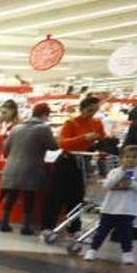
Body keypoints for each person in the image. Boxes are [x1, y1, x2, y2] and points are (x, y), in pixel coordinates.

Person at [42, 96, 106, 234]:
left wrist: (99, 140)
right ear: (82, 109)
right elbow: (62, 143)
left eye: (95, 110)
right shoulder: (71, 123)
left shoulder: (97, 123)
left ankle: (74, 227)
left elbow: (103, 137)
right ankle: (48, 226)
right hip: (66, 162)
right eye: (89, 110)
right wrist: (83, 138)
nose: (92, 113)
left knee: (77, 196)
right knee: (56, 196)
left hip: (82, 162)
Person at [84, 145, 137, 265]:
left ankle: (127, 253)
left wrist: (133, 184)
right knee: (102, 231)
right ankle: (92, 249)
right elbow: (107, 185)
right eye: (127, 157)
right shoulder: (115, 171)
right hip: (110, 208)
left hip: (128, 209)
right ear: (122, 158)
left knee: (126, 232)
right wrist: (121, 172)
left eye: (134, 157)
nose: (130, 159)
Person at [0, 103, 56, 235]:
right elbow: (53, 146)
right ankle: (25, 226)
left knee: (11, 195)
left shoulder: (16, 128)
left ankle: (4, 222)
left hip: (11, 167)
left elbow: (5, 149)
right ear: (44, 115)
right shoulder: (44, 129)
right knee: (29, 197)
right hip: (32, 168)